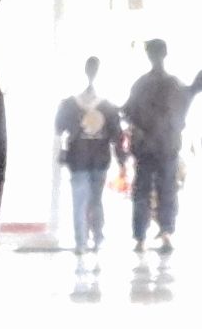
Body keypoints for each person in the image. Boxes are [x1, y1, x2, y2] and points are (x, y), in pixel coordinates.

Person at [123, 39, 194, 256]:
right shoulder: (173, 84)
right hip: (164, 147)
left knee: (145, 191)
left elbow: (128, 112)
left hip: (152, 147)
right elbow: (182, 111)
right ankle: (162, 233)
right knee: (165, 190)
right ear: (165, 53)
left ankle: (143, 237)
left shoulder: (142, 85)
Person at [54, 57, 122, 255]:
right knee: (96, 200)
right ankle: (98, 238)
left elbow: (59, 127)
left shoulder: (69, 103)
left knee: (79, 202)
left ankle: (81, 243)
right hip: (100, 159)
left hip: (77, 159)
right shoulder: (108, 106)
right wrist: (122, 158)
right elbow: (116, 135)